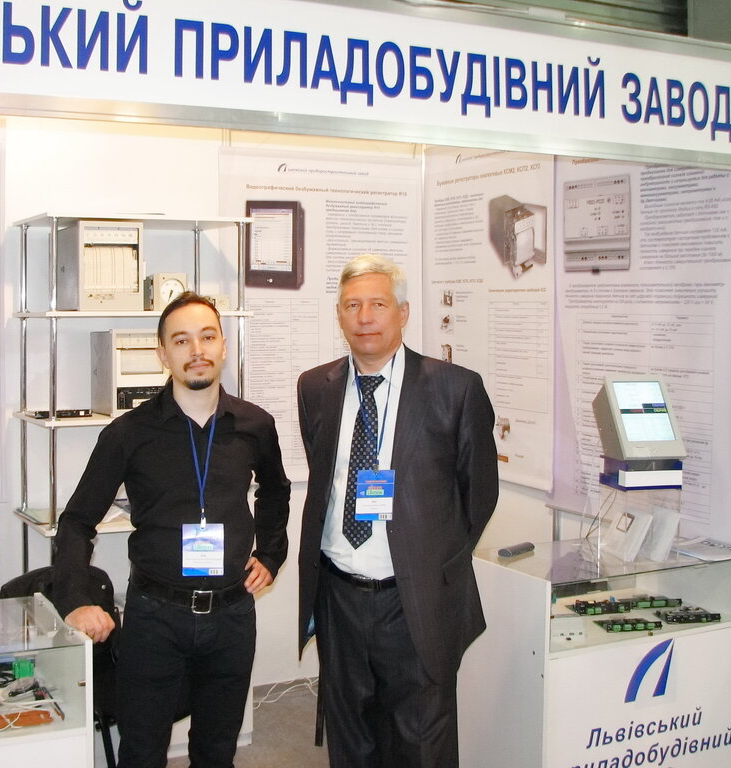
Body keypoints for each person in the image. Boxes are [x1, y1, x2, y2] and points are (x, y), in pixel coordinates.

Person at [53, 291, 291, 768]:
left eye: (207, 337)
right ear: (162, 353)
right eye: (181, 341)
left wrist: (271, 554)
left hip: (231, 616)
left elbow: (276, 490)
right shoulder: (128, 433)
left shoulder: (254, 425)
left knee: (217, 751)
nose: (196, 350)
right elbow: (76, 521)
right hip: (155, 618)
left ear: (224, 345)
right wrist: (76, 599)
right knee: (142, 751)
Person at [297, 254, 498, 768]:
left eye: (378, 304)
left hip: (415, 602)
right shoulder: (315, 388)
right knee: (351, 740)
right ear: (339, 315)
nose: (365, 317)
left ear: (403, 312)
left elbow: (478, 495)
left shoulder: (455, 388)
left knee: (421, 743)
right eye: (352, 306)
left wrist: (430, 560)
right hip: (339, 597)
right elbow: (324, 479)